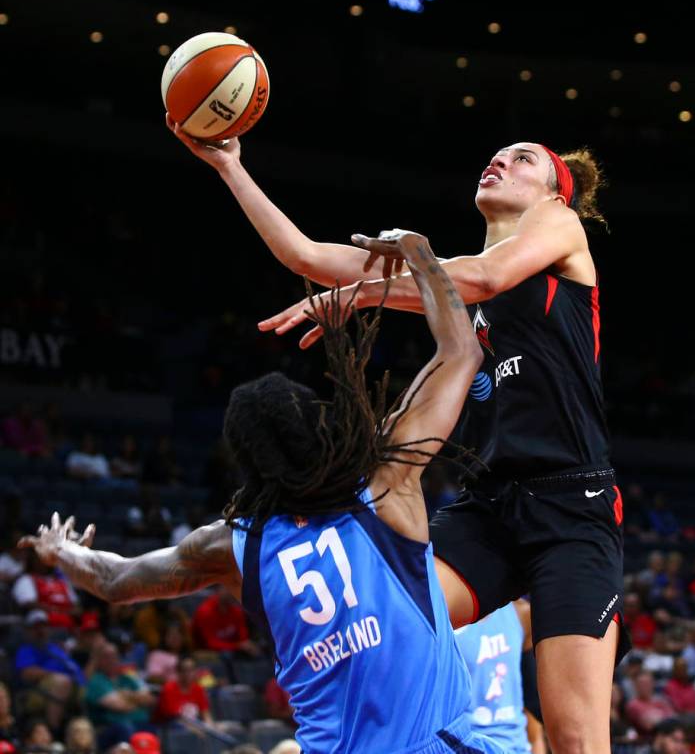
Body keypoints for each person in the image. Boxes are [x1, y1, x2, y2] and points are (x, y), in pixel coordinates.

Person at [166, 121, 626, 753]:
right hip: (489, 507)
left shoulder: (559, 231)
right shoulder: (451, 279)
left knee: (576, 741)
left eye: (522, 160)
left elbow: (484, 279)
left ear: (554, 194)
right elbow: (306, 256)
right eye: (495, 155)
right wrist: (230, 166)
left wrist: (361, 293)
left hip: (571, 507)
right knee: (385, 619)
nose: (499, 161)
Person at [20, 230, 501, 754]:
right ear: (322, 431)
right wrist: (419, 251)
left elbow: (115, 580)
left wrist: (60, 550)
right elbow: (460, 351)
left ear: (248, 464)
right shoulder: (384, 485)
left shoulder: (233, 546)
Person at [454, 599, 537, 754]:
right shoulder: (442, 617)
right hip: (466, 746)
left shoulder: (521, 612)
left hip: (517, 747)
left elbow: (530, 699)